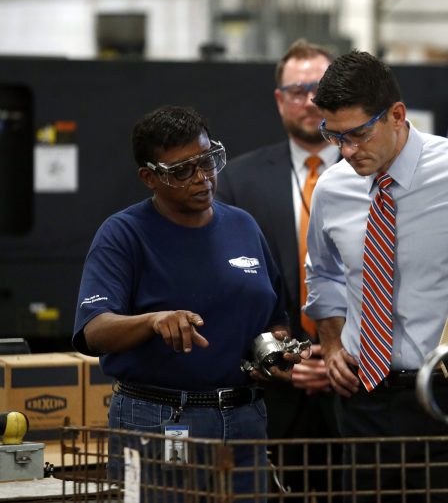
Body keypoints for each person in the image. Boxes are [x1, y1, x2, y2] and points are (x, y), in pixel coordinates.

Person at [304, 50, 448, 500]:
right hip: (364, 399)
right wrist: (330, 338)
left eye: (358, 134)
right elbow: (322, 273)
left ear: (397, 115)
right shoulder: (332, 188)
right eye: (333, 135)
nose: (347, 151)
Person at [72, 105, 299, 496]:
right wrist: (152, 321)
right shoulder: (124, 234)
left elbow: (275, 314)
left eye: (208, 161)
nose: (203, 178)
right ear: (149, 177)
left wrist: (275, 350)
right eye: (182, 171)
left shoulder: (243, 226)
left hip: (245, 419)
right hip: (161, 420)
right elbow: (94, 329)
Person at [215, 39, 341, 495]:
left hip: (362, 387)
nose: (309, 100)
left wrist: (346, 354)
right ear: (278, 99)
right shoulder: (238, 181)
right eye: (296, 90)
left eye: (320, 87)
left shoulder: (375, 171)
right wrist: (277, 357)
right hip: (274, 396)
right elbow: (225, 285)